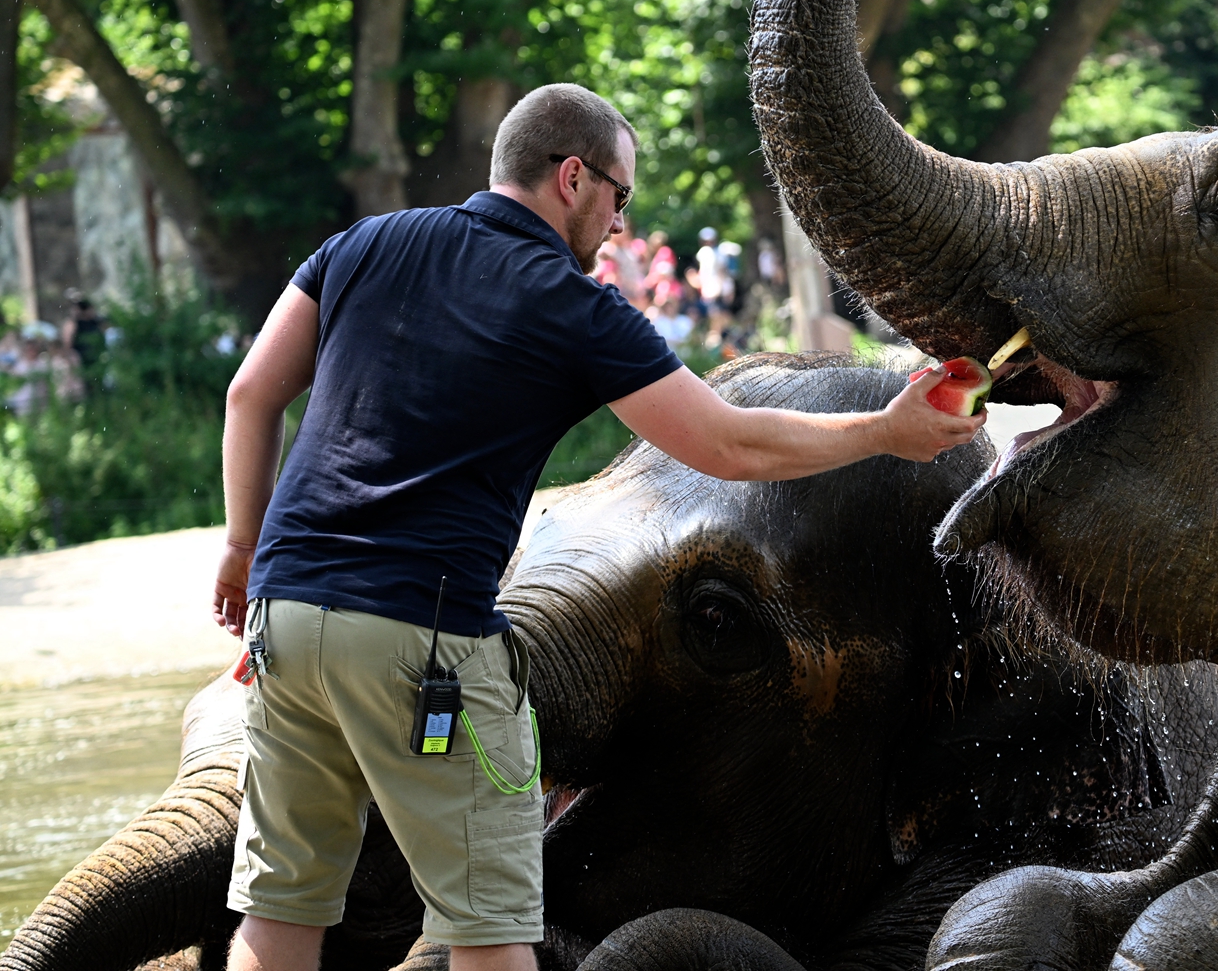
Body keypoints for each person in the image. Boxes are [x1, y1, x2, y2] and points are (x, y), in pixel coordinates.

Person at [211, 83, 981, 971]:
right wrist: (886, 431)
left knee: (279, 915)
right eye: (620, 196)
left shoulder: (360, 245)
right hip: (426, 641)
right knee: (490, 929)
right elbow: (727, 443)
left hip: (285, 622)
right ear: (572, 177)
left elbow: (250, 394)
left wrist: (242, 549)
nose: (620, 223)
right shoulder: (570, 304)